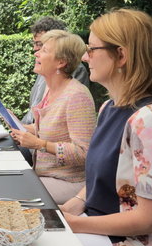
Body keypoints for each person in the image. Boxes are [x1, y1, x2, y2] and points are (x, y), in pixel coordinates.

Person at [61, 9, 152, 246]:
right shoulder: (109, 107)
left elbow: (151, 219)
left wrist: (77, 225)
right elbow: (108, 174)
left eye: (92, 49)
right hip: (103, 232)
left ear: (121, 56)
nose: (85, 57)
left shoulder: (151, 119)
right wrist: (77, 202)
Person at [11, 30, 96, 204]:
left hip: (69, 182)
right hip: (45, 175)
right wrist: (23, 129)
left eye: (44, 50)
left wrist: (39, 144)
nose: (36, 52)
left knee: (9, 194)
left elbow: (84, 152)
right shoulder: (50, 90)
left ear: (61, 62)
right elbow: (53, 129)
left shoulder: (77, 95)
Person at [22, 16, 89, 125]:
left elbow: (62, 123)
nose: (35, 50)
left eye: (40, 45)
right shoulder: (45, 69)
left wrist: (38, 142)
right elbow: (33, 112)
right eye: (34, 43)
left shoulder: (76, 80)